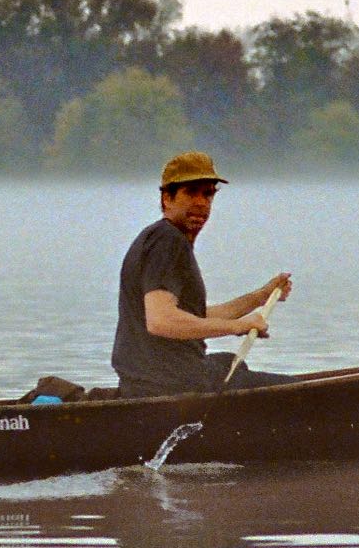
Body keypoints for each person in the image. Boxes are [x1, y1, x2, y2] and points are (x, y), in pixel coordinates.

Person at [111, 151, 294, 399]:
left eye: (208, 194)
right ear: (167, 198)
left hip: (150, 379)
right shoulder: (167, 240)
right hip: (166, 385)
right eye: (191, 192)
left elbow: (191, 316)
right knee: (299, 394)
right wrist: (237, 326)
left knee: (231, 362)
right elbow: (161, 321)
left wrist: (260, 297)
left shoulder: (160, 239)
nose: (201, 203)